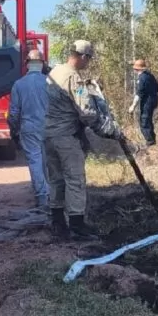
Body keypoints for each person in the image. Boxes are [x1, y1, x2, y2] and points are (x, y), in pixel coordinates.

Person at [44, 40, 122, 240]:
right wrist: (107, 129)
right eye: (89, 59)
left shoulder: (54, 72)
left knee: (56, 179)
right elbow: (86, 112)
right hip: (66, 138)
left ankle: (58, 223)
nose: (88, 63)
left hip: (48, 135)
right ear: (83, 57)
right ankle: (77, 226)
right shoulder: (73, 78)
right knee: (75, 179)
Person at [8, 49, 51, 208]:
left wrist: (14, 131)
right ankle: (51, 196)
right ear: (42, 64)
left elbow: (13, 113)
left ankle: (41, 197)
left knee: (35, 161)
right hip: (48, 127)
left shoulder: (19, 84)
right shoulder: (49, 83)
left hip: (29, 128)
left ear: (27, 65)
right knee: (46, 162)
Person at [128, 59, 158, 146]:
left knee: (144, 121)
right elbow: (157, 88)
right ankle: (152, 140)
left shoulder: (142, 78)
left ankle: (150, 142)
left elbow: (139, 94)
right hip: (154, 100)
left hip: (147, 102)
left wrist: (132, 106)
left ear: (136, 69)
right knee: (148, 120)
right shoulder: (150, 75)